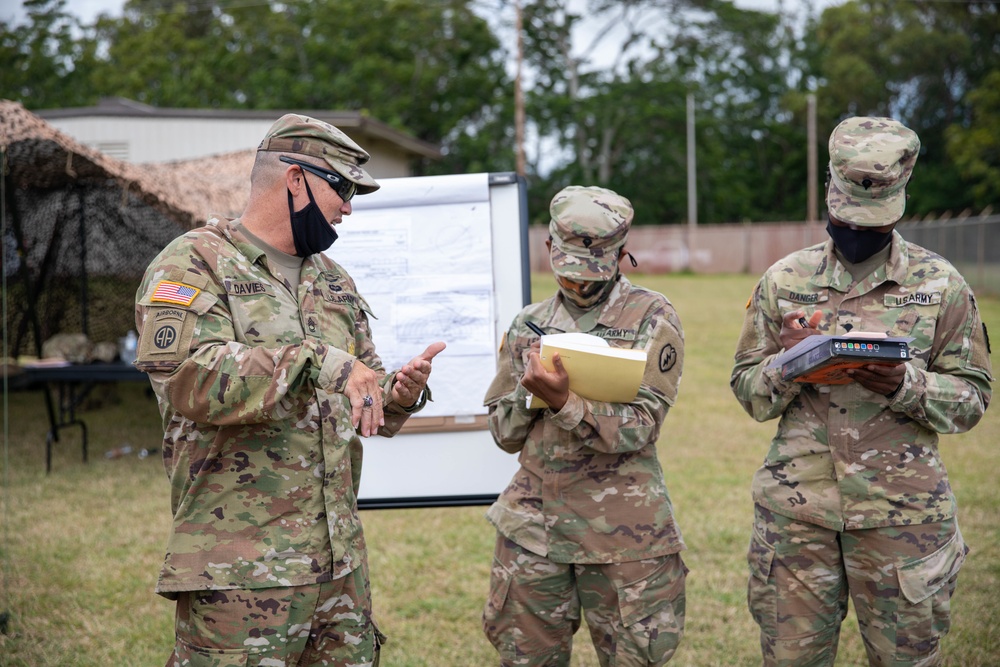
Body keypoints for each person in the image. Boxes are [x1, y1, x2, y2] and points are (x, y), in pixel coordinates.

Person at [133, 113, 445, 666]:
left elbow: (359, 381)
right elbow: (188, 379)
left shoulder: (333, 280)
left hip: (339, 566)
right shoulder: (194, 262)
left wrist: (396, 391)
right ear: (296, 180)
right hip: (241, 571)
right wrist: (317, 361)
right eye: (343, 188)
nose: (349, 206)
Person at [731, 116, 993, 666]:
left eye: (874, 223)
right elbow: (747, 389)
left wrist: (907, 384)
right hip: (797, 517)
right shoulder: (784, 280)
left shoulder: (940, 284)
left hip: (903, 518)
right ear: (830, 191)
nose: (858, 231)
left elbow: (972, 397)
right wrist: (787, 365)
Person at [481, 185, 688, 666]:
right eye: (568, 270)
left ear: (621, 252)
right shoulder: (527, 324)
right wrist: (528, 394)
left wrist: (565, 402)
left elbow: (642, 425)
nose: (578, 285)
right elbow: (503, 433)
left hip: (623, 536)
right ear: (549, 248)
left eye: (593, 271)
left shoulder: (652, 317)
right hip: (533, 533)